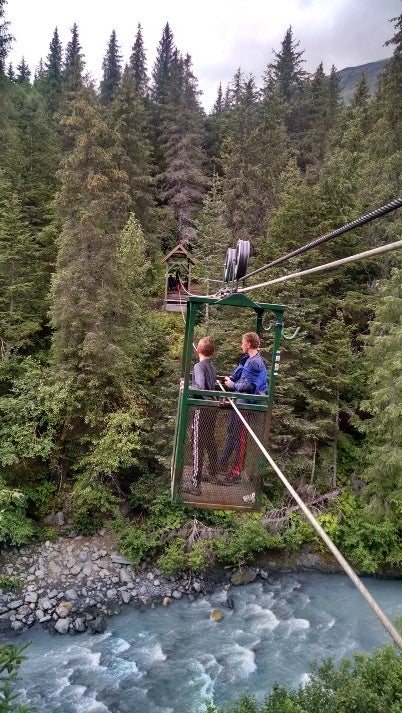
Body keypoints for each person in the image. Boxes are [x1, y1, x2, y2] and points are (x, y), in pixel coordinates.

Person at [218, 332, 268, 485]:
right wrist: (232, 378)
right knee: (232, 432)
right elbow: (241, 376)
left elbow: (246, 385)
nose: (241, 345)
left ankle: (236, 472)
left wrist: (231, 385)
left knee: (240, 437)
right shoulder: (248, 360)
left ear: (248, 344)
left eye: (242, 342)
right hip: (238, 403)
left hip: (245, 404)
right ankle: (222, 463)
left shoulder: (254, 362)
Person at [182, 337, 218, 495]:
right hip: (211, 408)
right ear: (213, 353)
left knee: (197, 443)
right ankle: (211, 472)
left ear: (198, 351)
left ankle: (195, 483)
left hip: (202, 408)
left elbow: (201, 387)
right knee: (208, 440)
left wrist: (188, 386)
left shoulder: (198, 366)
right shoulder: (212, 367)